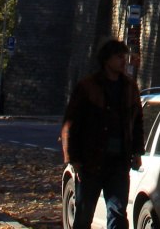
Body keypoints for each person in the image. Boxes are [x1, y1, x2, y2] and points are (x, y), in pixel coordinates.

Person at [61, 40, 144, 229]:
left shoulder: (129, 87)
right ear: (107, 60)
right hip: (91, 161)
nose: (124, 61)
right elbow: (70, 123)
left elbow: (138, 121)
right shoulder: (88, 87)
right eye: (119, 57)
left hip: (119, 162)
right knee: (84, 212)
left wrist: (138, 151)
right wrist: (72, 158)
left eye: (125, 57)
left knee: (117, 211)